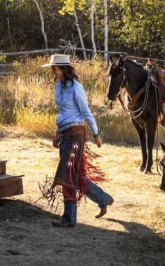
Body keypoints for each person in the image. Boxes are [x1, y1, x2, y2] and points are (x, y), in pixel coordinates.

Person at [43, 54, 114, 228]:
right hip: (65, 133)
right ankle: (103, 199)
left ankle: (69, 218)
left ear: (64, 69)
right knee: (74, 175)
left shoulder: (76, 88)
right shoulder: (58, 86)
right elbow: (61, 113)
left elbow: (86, 112)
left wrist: (96, 134)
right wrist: (57, 132)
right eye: (53, 68)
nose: (53, 70)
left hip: (76, 134)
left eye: (56, 68)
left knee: (68, 174)